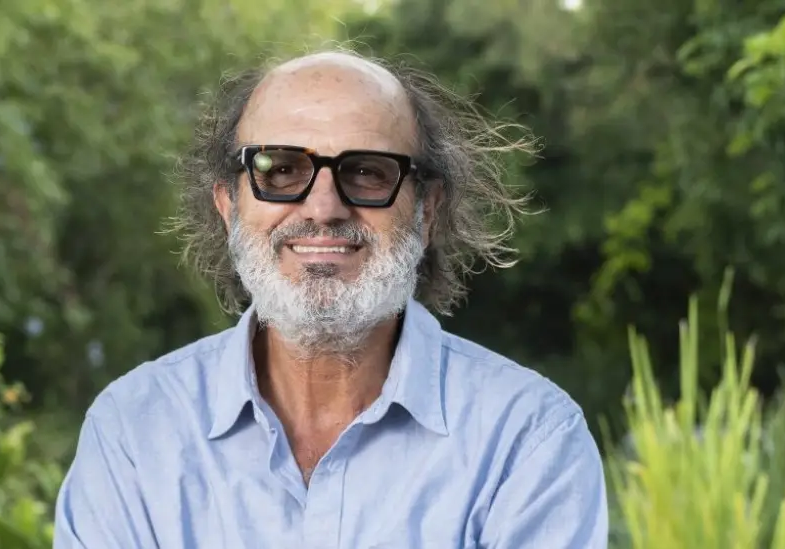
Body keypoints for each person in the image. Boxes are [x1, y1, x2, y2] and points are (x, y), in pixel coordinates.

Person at [53, 49, 608, 549]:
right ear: (228, 206)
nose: (323, 208)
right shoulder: (134, 432)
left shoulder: (526, 440)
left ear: (428, 210)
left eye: (366, 172)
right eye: (280, 169)